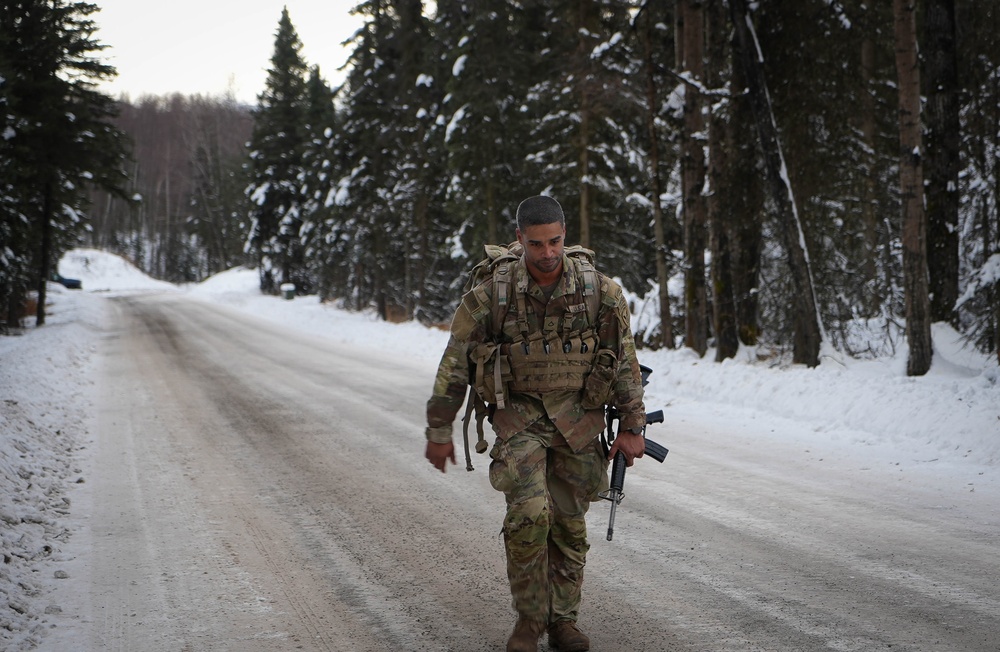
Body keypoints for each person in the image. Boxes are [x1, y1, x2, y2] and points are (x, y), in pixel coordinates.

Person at [424, 195, 648, 652]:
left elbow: (624, 358)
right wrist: (439, 429)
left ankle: (564, 622)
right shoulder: (493, 294)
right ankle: (529, 622)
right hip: (519, 416)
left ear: (565, 235)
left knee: (568, 522)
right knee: (529, 517)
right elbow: (456, 363)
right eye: (537, 244)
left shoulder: (600, 290)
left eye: (555, 242)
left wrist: (632, 424)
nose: (547, 253)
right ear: (520, 238)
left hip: (578, 419)